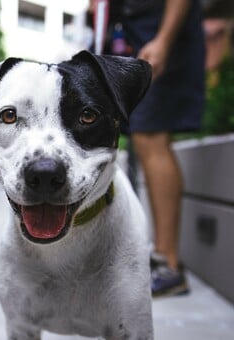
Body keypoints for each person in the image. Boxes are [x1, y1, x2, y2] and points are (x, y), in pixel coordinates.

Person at [120, 0, 205, 297]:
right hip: (138, 30)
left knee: (150, 134)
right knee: (140, 134)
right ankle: (159, 260)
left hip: (161, 31)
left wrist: (164, 40)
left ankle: (168, 265)